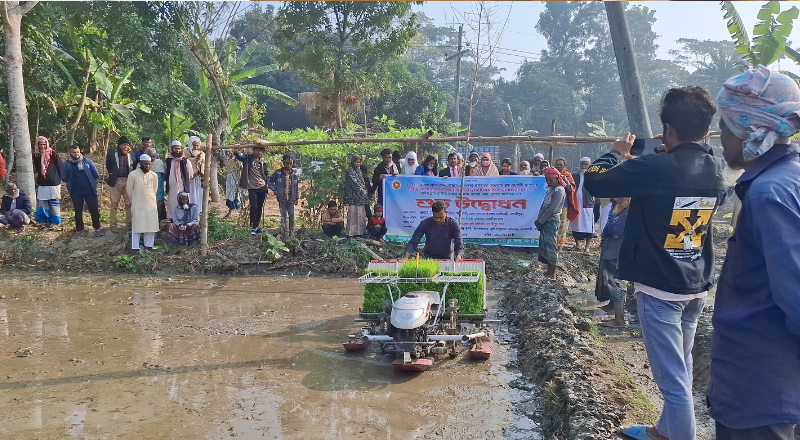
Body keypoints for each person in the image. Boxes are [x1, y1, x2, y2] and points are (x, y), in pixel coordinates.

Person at [584, 86, 728, 440]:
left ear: (667, 130)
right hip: (695, 284)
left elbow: (594, 182)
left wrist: (616, 153)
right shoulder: (715, 167)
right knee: (683, 365)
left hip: (660, 287)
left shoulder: (654, 166)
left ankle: (680, 435)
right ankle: (664, 430)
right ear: (707, 131)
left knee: (672, 381)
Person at [709, 67, 800, 440]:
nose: (721, 136)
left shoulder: (768, 195)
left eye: (726, 125)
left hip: (759, 387)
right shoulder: (786, 179)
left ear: (750, 127)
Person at [595, 197, 630, 327]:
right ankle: (616, 312)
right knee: (613, 283)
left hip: (617, 252)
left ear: (626, 199)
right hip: (613, 250)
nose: (615, 198)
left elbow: (614, 231)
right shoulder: (619, 210)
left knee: (617, 285)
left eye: (619, 196)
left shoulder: (626, 212)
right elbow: (607, 231)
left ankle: (619, 319)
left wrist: (608, 229)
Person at [60, 145, 103, 237]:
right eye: (74, 152)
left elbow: (95, 174)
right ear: (70, 153)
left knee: (94, 209)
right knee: (78, 211)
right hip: (76, 192)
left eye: (77, 152)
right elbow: (63, 177)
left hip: (90, 190)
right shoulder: (66, 165)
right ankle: (79, 230)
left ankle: (97, 228)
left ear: (80, 152)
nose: (76, 154)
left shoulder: (87, 162)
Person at [536, 167, 567, 278]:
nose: (548, 182)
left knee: (551, 247)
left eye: (550, 180)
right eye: (547, 180)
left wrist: (541, 220)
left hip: (551, 221)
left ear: (557, 178)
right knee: (545, 246)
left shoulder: (559, 190)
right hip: (545, 221)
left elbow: (552, 209)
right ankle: (549, 270)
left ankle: (552, 273)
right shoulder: (552, 189)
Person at [126, 154, 159, 252]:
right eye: (145, 164)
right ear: (140, 163)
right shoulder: (133, 174)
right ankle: (135, 247)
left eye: (149, 164)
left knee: (150, 224)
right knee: (137, 225)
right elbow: (129, 190)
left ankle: (148, 246)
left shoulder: (154, 175)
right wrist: (135, 201)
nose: (148, 166)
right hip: (137, 203)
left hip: (150, 204)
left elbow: (155, 189)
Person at [235, 147, 270, 235]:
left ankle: (256, 226)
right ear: (253, 150)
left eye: (260, 151)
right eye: (257, 150)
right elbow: (239, 157)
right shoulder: (247, 158)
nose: (259, 152)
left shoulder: (262, 161)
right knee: (253, 207)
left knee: (259, 207)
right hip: (252, 187)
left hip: (262, 187)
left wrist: (267, 183)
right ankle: (252, 227)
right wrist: (236, 151)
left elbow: (266, 172)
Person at [32, 136, 63, 230]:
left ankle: (55, 222)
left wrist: (61, 179)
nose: (42, 146)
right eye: (40, 144)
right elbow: (37, 168)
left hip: (53, 183)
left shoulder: (53, 153)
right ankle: (46, 222)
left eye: (44, 144)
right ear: (37, 145)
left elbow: (60, 166)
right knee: (43, 203)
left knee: (54, 204)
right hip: (42, 183)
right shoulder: (36, 155)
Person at [105, 136, 133, 231]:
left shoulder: (131, 155)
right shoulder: (112, 154)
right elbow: (108, 166)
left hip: (128, 181)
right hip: (116, 181)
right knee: (114, 204)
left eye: (128, 145)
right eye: (125, 145)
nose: (126, 147)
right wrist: (113, 175)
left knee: (129, 204)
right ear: (120, 145)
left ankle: (129, 225)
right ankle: (113, 226)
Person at [568, 157, 596, 252]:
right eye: (582, 164)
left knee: (588, 225)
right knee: (575, 224)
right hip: (575, 203)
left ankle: (587, 247)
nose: (584, 166)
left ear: (589, 165)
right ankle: (577, 245)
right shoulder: (574, 175)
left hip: (587, 203)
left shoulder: (593, 176)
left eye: (586, 164)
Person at [268, 154, 300, 234]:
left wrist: (296, 197)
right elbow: (269, 180)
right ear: (283, 163)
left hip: (291, 198)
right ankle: (284, 230)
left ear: (292, 163)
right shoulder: (278, 173)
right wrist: (274, 189)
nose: (288, 165)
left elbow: (296, 187)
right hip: (281, 197)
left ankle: (291, 230)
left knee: (291, 215)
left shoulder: (294, 174)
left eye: (290, 163)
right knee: (283, 215)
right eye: (286, 163)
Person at [164, 140, 194, 222]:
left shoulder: (186, 161)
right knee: (172, 203)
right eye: (175, 148)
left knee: (184, 203)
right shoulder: (168, 161)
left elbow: (190, 174)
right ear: (172, 149)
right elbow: (166, 172)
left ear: (181, 149)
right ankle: (173, 220)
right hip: (172, 188)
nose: (177, 150)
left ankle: (184, 220)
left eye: (179, 148)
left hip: (182, 187)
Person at [554, 157, 578, 248]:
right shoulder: (551, 174)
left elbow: (571, 189)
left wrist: (566, 182)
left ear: (564, 165)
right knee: (552, 223)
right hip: (552, 203)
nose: (559, 166)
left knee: (562, 224)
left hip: (563, 204)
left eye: (561, 164)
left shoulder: (567, 175)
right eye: (557, 164)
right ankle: (552, 243)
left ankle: (560, 245)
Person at [345, 155, 369, 237]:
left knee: (360, 213)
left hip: (361, 197)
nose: (358, 164)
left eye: (359, 162)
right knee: (353, 213)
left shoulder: (359, 171)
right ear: (352, 162)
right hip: (353, 196)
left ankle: (360, 232)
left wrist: (364, 190)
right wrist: (362, 190)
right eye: (356, 162)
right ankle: (352, 233)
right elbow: (354, 182)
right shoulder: (350, 171)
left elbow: (362, 181)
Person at [144, 147, 167, 221]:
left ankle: (159, 223)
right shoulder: (141, 165)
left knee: (159, 208)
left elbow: (164, 177)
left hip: (158, 190)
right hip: (147, 191)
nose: (152, 158)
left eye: (154, 156)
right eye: (150, 156)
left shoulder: (159, 163)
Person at [220, 149, 244, 217]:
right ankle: (230, 211)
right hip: (229, 177)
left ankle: (238, 211)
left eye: (229, 151)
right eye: (227, 152)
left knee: (235, 194)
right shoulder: (227, 159)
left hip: (235, 177)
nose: (228, 153)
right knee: (230, 194)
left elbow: (241, 167)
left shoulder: (237, 160)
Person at [185, 136, 205, 207]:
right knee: (189, 193)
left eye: (197, 145)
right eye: (194, 145)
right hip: (187, 177)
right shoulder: (185, 152)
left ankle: (197, 209)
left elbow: (203, 165)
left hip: (197, 177)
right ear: (191, 144)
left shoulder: (201, 154)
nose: (196, 147)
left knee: (197, 193)